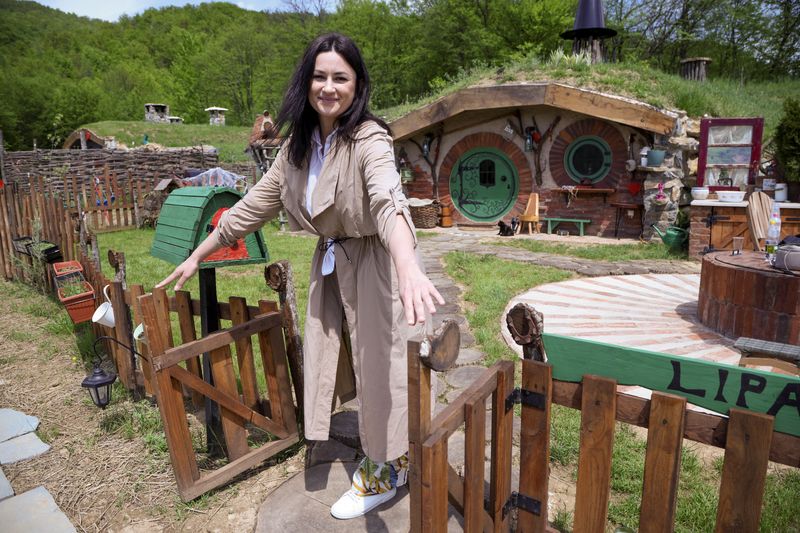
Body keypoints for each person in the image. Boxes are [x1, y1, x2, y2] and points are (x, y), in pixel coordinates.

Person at [156, 32, 443, 520]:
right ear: (306, 82)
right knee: (328, 355)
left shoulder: (368, 138)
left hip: (373, 263)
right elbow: (248, 209)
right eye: (320, 76)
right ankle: (388, 446)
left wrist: (408, 265)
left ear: (357, 85)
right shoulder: (297, 149)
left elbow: (387, 200)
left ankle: (385, 469)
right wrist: (197, 254)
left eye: (340, 77)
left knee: (382, 364)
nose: (328, 87)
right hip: (330, 263)